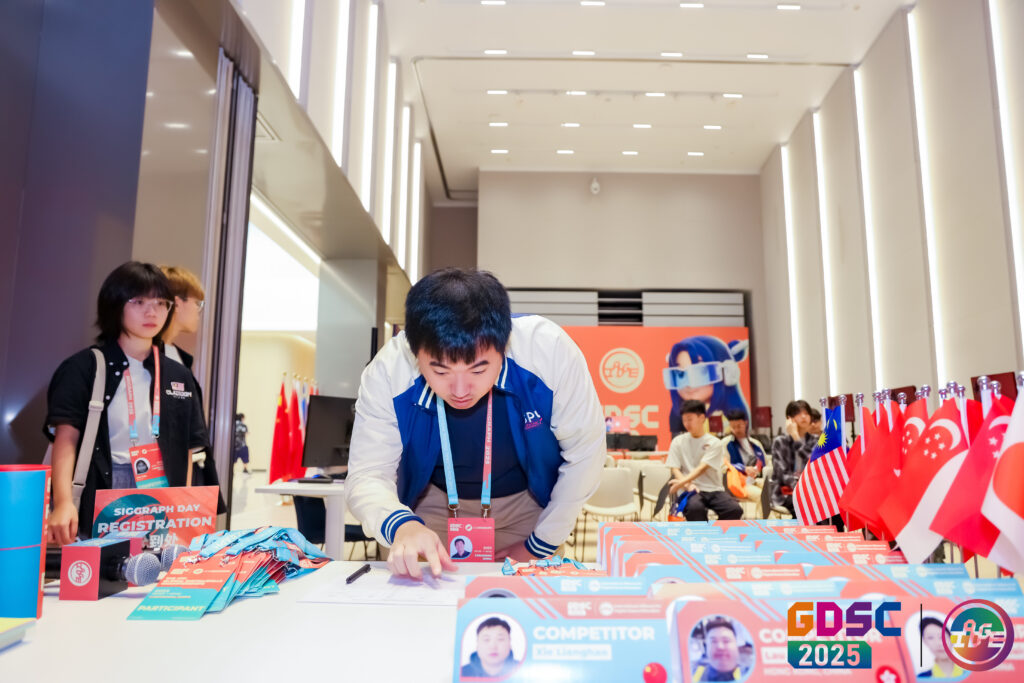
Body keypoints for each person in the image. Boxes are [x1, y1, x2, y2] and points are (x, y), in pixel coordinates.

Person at [346, 268, 606, 579]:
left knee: (531, 600)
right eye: (440, 371)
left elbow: (586, 454)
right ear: (415, 352)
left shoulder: (549, 351)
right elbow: (367, 474)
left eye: (478, 370)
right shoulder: (389, 371)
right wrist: (402, 525)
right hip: (430, 510)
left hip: (527, 508)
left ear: (503, 345)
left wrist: (541, 543)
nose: (460, 390)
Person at [44, 261, 223, 545]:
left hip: (161, 489)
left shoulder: (178, 374)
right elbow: (66, 438)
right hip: (103, 486)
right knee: (103, 568)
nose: (152, 312)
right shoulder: (83, 367)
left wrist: (183, 507)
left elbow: (189, 447)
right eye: (139, 302)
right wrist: (64, 502)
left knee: (156, 570)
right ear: (115, 305)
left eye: (161, 303)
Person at [667, 400, 743, 521]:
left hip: (714, 489)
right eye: (684, 420)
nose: (686, 423)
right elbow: (674, 468)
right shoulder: (678, 442)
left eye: (690, 419)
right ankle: (700, 533)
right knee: (695, 508)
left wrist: (680, 483)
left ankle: (717, 532)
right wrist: (687, 485)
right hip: (690, 490)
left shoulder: (714, 443)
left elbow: (702, 468)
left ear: (702, 418)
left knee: (734, 509)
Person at [664, 335, 750, 437]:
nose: (689, 383)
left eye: (700, 371)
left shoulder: (733, 415)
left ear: (726, 373)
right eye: (680, 374)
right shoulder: (678, 416)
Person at [769, 400, 817, 517]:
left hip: (811, 490)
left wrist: (797, 440)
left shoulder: (816, 441)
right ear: (789, 419)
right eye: (798, 413)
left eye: (806, 413)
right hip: (785, 492)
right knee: (804, 505)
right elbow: (782, 474)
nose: (803, 416)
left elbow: (813, 464)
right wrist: (795, 436)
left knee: (830, 507)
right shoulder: (780, 442)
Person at [158, 265, 205, 371]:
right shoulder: (146, 356)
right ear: (177, 304)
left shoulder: (183, 358)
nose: (198, 311)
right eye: (197, 303)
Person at [721, 409, 765, 504]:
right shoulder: (725, 444)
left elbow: (765, 463)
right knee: (761, 495)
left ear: (746, 423)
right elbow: (723, 466)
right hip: (738, 482)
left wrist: (757, 470)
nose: (736, 430)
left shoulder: (755, 443)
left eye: (739, 426)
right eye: (733, 427)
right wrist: (743, 469)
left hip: (755, 479)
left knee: (772, 491)